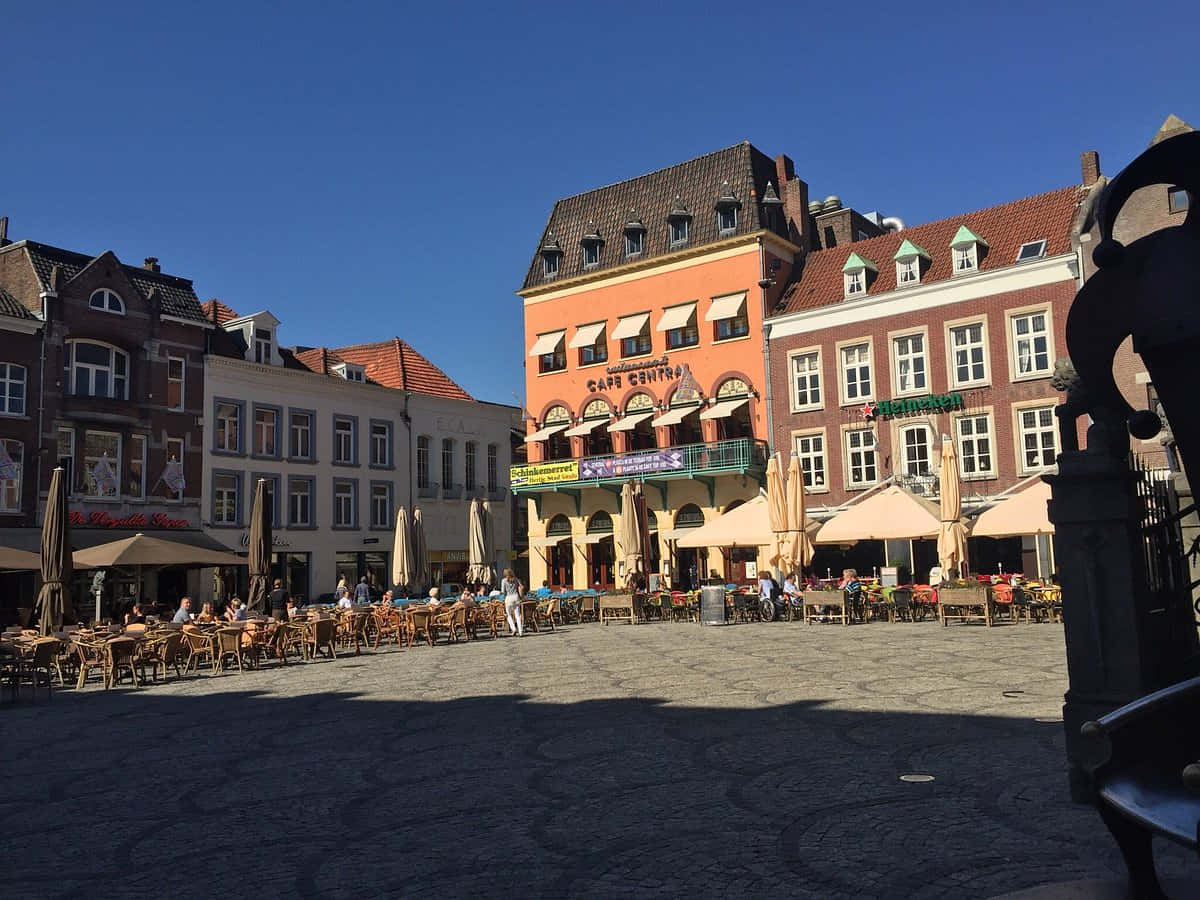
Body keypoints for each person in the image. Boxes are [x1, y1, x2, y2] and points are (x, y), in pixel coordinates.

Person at [500, 568, 524, 636]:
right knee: (517, 615)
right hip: (516, 597)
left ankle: (513, 629)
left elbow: (503, 591)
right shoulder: (516, 579)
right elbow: (521, 586)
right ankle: (520, 631)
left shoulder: (504, 581)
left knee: (508, 615)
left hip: (508, 598)